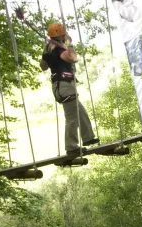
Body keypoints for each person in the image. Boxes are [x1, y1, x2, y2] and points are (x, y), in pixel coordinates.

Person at [39, 22, 98, 155]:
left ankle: (88, 137)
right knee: (72, 117)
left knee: (81, 112)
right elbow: (74, 58)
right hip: (65, 85)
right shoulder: (59, 49)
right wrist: (69, 43)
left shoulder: (48, 49)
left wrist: (50, 57)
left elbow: (43, 66)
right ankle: (71, 147)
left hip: (60, 86)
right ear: (62, 34)